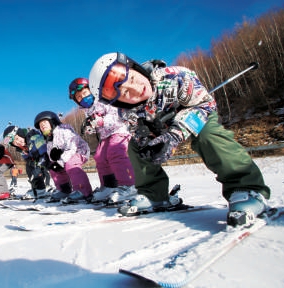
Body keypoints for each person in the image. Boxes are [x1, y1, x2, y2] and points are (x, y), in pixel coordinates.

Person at [88, 52, 271, 225]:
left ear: (136, 68)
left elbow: (206, 105)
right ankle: (154, 194)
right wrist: (145, 135)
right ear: (120, 102)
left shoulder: (175, 77)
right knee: (136, 147)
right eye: (126, 93)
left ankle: (247, 188)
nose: (136, 89)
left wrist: (175, 133)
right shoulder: (126, 111)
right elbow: (135, 128)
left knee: (208, 135)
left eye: (133, 79)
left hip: (199, 115)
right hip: (163, 128)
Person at [69, 77, 136, 204]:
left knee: (115, 152)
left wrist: (102, 121)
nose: (82, 98)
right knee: (99, 156)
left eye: (85, 93)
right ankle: (109, 186)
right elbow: (95, 126)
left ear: (92, 90)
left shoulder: (103, 100)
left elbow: (117, 115)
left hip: (119, 130)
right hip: (105, 135)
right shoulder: (87, 111)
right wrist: (90, 128)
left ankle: (129, 185)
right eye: (79, 97)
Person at [34, 111, 93, 203]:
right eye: (40, 125)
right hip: (65, 156)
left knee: (70, 163)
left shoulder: (64, 130)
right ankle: (64, 189)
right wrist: (53, 163)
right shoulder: (49, 139)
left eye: (45, 122)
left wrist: (60, 161)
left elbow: (72, 147)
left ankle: (83, 190)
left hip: (79, 151)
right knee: (53, 168)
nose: (42, 126)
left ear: (52, 122)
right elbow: (52, 155)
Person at [3, 126, 50, 200]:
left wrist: (39, 162)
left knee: (36, 170)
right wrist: (30, 161)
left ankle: (41, 189)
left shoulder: (33, 137)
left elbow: (43, 149)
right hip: (35, 160)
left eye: (17, 138)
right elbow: (26, 157)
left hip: (46, 157)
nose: (18, 142)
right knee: (29, 168)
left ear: (21, 134)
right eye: (15, 142)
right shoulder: (21, 149)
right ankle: (36, 188)